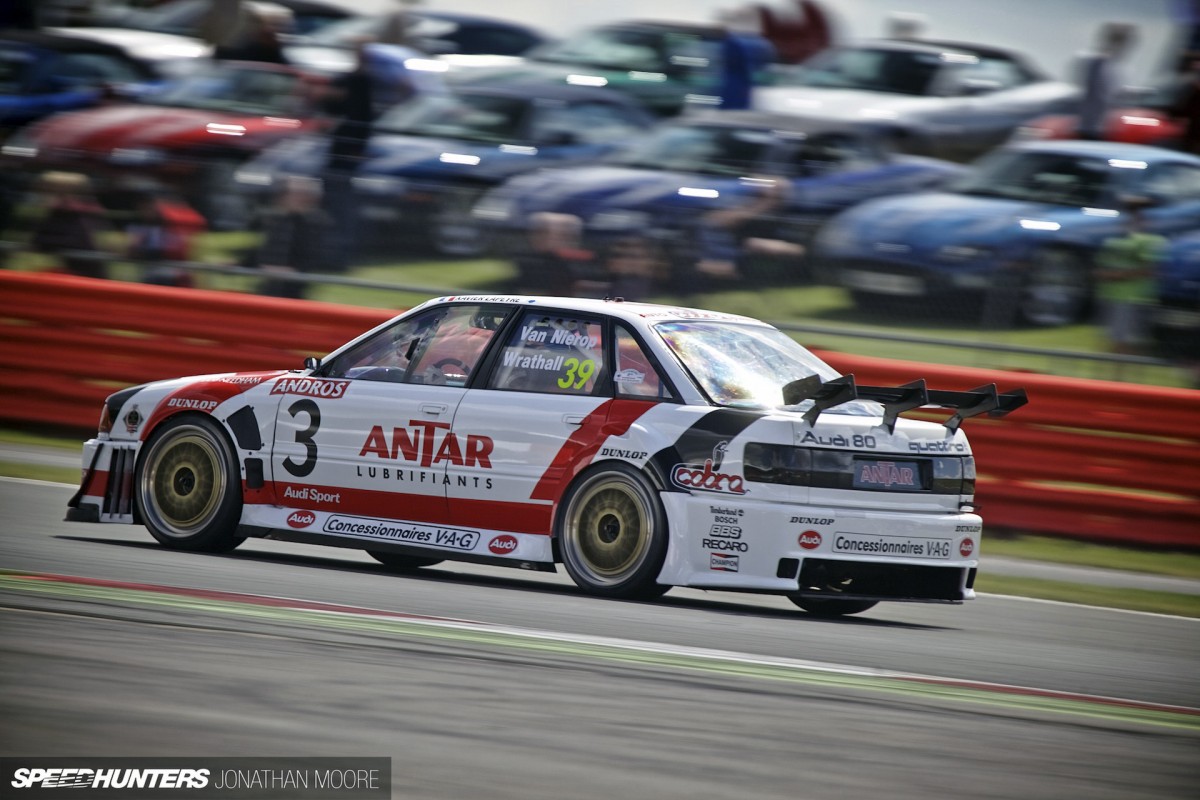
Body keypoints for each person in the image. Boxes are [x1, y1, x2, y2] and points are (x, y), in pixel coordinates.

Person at [1094, 195, 1167, 355]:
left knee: (1126, 343)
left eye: (1135, 211)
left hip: (1132, 298)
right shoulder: (1116, 238)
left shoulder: (1149, 240)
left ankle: (1119, 377)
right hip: (1110, 296)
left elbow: (1151, 269)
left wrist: (1118, 274)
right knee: (1110, 341)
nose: (1131, 215)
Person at [254, 176, 333, 298]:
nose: (285, 197)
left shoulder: (317, 223)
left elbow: (320, 257)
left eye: (296, 194)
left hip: (293, 290)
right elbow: (263, 251)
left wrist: (290, 271)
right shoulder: (278, 220)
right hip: (270, 287)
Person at [28, 171, 109, 279]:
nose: (45, 195)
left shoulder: (78, 212)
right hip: (70, 268)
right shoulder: (57, 212)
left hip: (84, 273)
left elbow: (44, 241)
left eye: (51, 191)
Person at [1076, 22, 1137, 141]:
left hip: (1103, 127)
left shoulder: (1112, 65)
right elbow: (1107, 95)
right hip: (1095, 127)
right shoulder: (1100, 64)